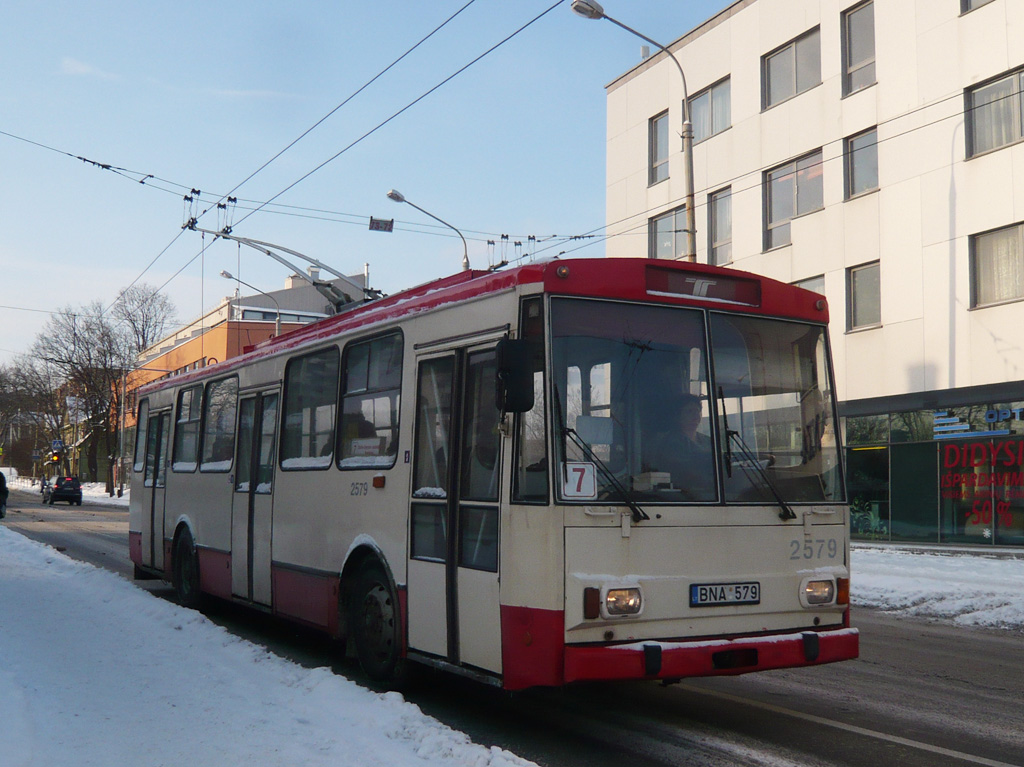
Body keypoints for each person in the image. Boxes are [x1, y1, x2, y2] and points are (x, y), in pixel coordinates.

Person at [642, 393, 715, 499]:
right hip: (682, 495)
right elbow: (682, 470)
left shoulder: (708, 441)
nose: (695, 416)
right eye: (689, 411)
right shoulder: (670, 442)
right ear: (678, 415)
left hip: (711, 493)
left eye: (697, 411)